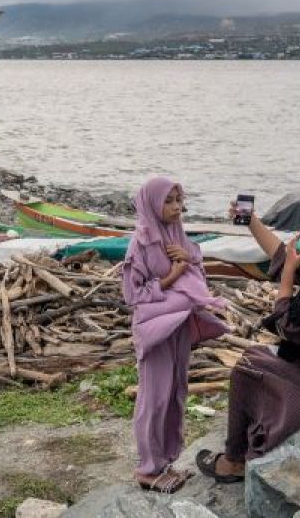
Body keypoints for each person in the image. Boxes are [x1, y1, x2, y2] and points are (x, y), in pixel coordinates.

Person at [195, 206, 300, 483]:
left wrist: (288, 274)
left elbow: (288, 327)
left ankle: (233, 461)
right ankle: (250, 440)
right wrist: (250, 221)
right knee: (258, 355)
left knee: (247, 367)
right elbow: (279, 252)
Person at [122, 176, 229, 493]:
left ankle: (165, 462)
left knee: (175, 393)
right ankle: (147, 469)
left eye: (179, 200)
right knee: (154, 397)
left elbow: (198, 276)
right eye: (169, 201)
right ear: (152, 203)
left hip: (179, 324)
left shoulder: (178, 235)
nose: (176, 207)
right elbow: (133, 295)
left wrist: (188, 262)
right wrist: (173, 275)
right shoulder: (140, 242)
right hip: (155, 330)